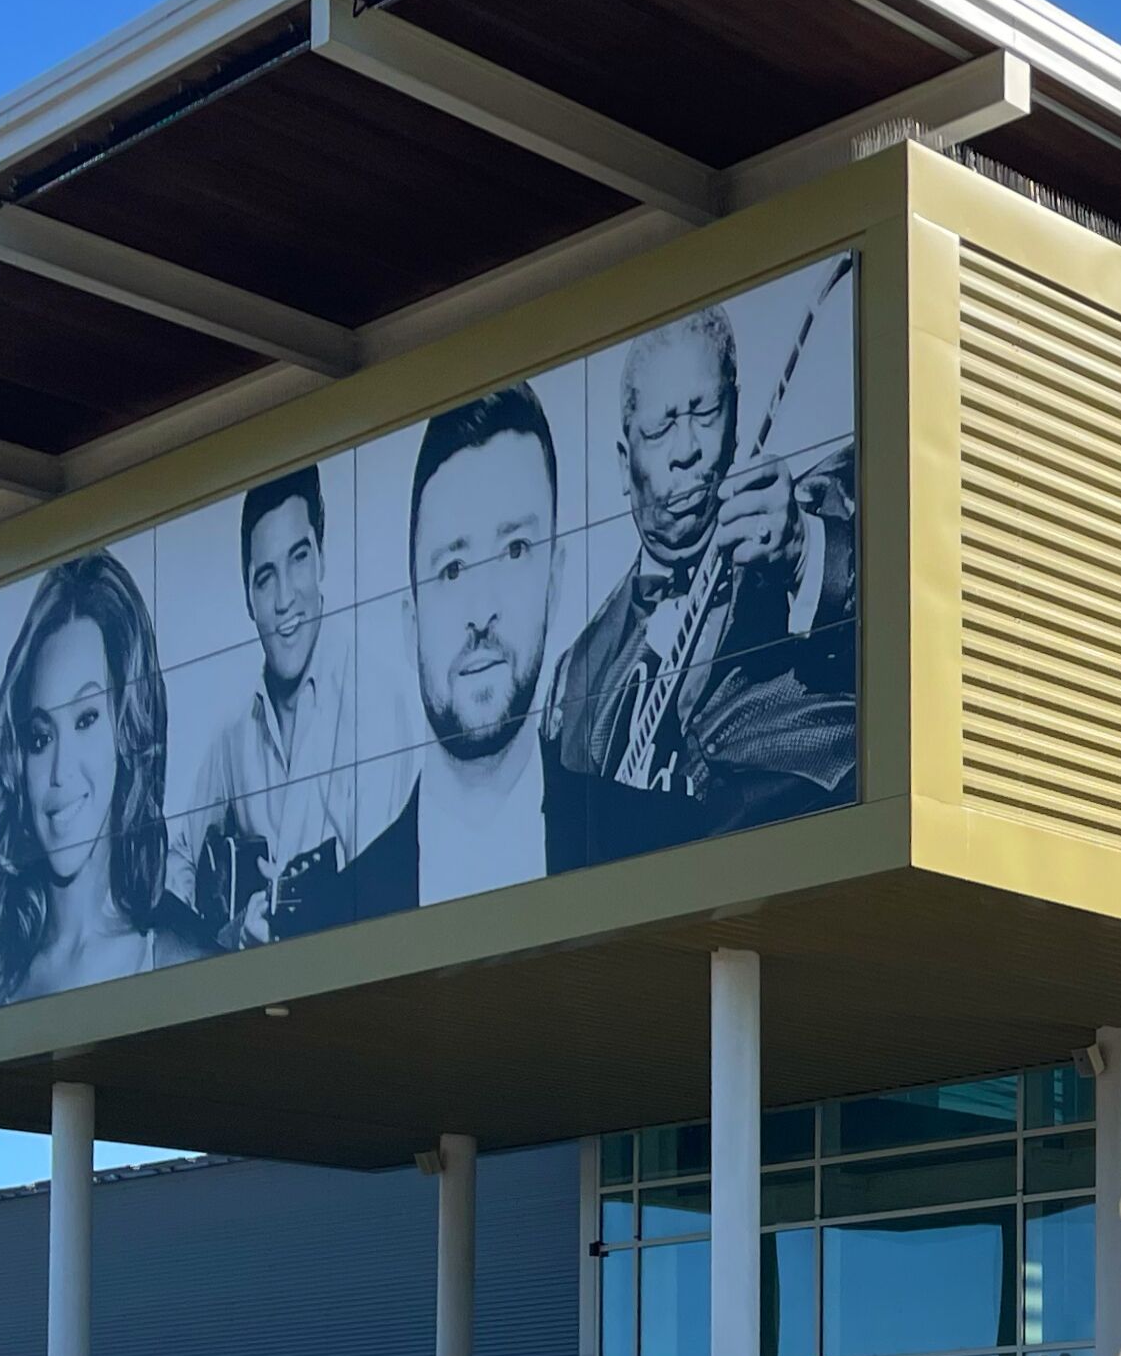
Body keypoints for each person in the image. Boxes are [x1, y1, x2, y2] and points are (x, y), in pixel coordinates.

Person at [544, 283, 859, 867]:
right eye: (661, 429)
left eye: (705, 414)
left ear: (735, 422)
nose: (686, 450)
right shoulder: (577, 673)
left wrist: (800, 548)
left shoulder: (827, 503)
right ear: (625, 461)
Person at [345, 382, 572, 912]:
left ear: (554, 583)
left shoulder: (662, 839)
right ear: (411, 621)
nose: (480, 609)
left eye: (514, 550)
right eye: (452, 568)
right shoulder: (332, 916)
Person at [0, 553, 201, 1012]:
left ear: (126, 731)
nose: (60, 771)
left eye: (87, 719)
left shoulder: (185, 964)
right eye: (40, 736)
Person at [176, 467, 383, 949]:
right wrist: (220, 941)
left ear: (322, 560)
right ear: (249, 599)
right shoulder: (231, 736)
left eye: (299, 559)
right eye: (265, 579)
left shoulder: (377, 706)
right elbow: (177, 860)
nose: (285, 598)